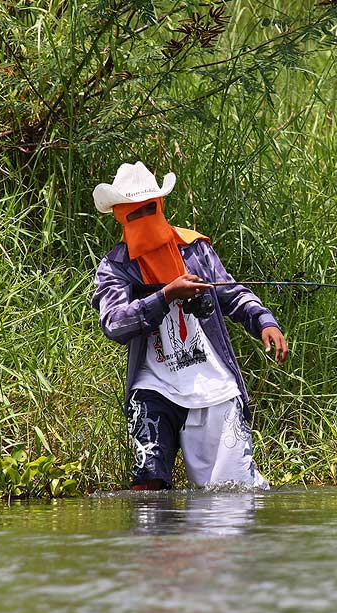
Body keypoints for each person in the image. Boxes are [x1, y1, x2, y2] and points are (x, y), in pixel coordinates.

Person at [91, 161, 288, 491]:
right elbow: (114, 324)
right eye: (133, 212)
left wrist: (264, 321)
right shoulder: (115, 267)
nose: (143, 217)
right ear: (119, 216)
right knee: (148, 486)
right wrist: (166, 295)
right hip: (154, 387)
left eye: (148, 209)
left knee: (233, 492)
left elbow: (232, 294)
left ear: (161, 205)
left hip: (214, 387)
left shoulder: (196, 249)